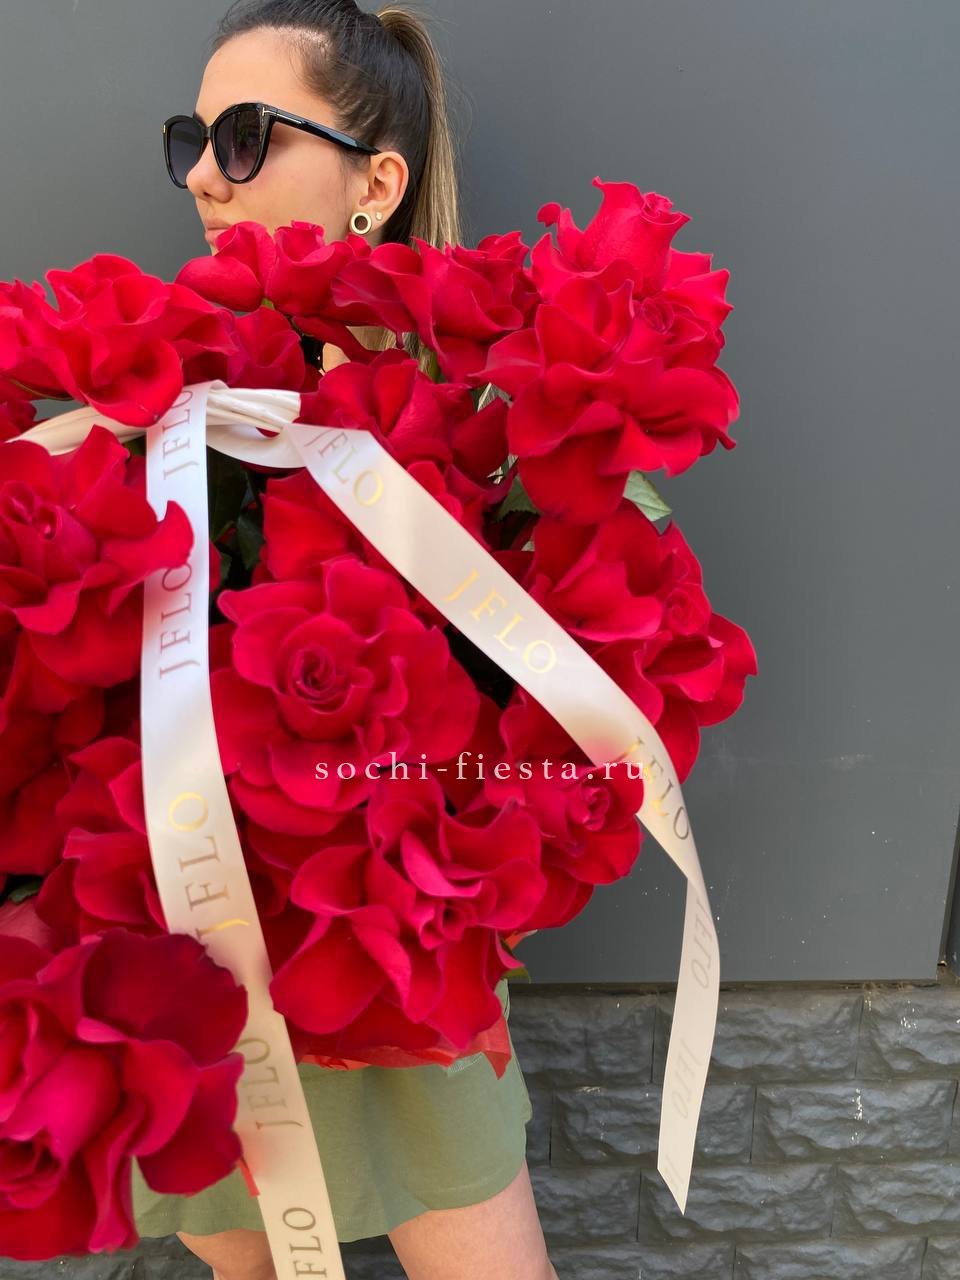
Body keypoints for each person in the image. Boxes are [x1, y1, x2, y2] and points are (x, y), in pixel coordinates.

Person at [141, 3, 560, 1279]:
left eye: (245, 137)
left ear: (376, 185)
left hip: (393, 946)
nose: (205, 176)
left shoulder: (475, 425)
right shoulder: (160, 401)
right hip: (207, 958)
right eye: (192, 142)